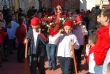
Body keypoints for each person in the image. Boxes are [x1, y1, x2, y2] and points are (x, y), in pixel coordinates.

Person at [86, 8, 110, 74]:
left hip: (103, 63)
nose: (99, 17)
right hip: (98, 62)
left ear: (106, 18)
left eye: (101, 16)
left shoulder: (108, 30)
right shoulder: (103, 29)